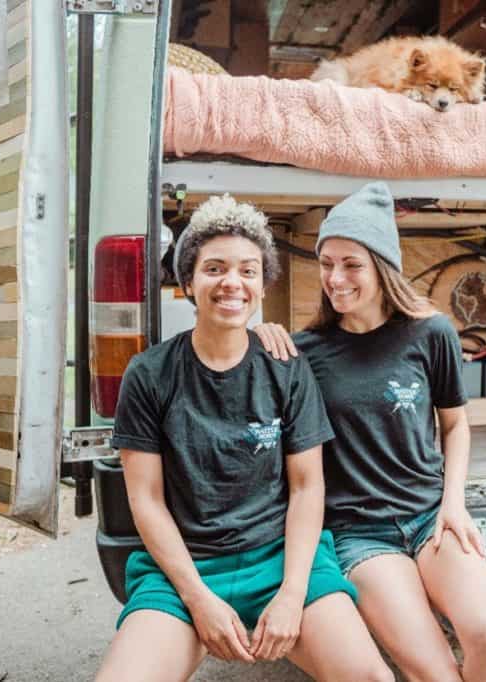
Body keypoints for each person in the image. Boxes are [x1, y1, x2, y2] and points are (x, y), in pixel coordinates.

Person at [96, 195, 392, 682]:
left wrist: (294, 595)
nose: (232, 282)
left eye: (248, 271)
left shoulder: (286, 367)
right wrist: (197, 599)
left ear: (261, 284)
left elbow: (306, 487)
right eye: (214, 268)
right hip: (185, 570)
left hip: (281, 558)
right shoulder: (149, 375)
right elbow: (146, 500)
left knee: (371, 678)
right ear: (188, 281)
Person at [256, 182, 486, 682]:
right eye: (327, 263)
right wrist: (258, 331)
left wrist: (453, 503)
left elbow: (455, 424)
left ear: (382, 266)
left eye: (351, 263)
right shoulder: (302, 352)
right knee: (433, 672)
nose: (335, 277)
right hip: (358, 534)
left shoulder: (431, 332)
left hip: (429, 519)